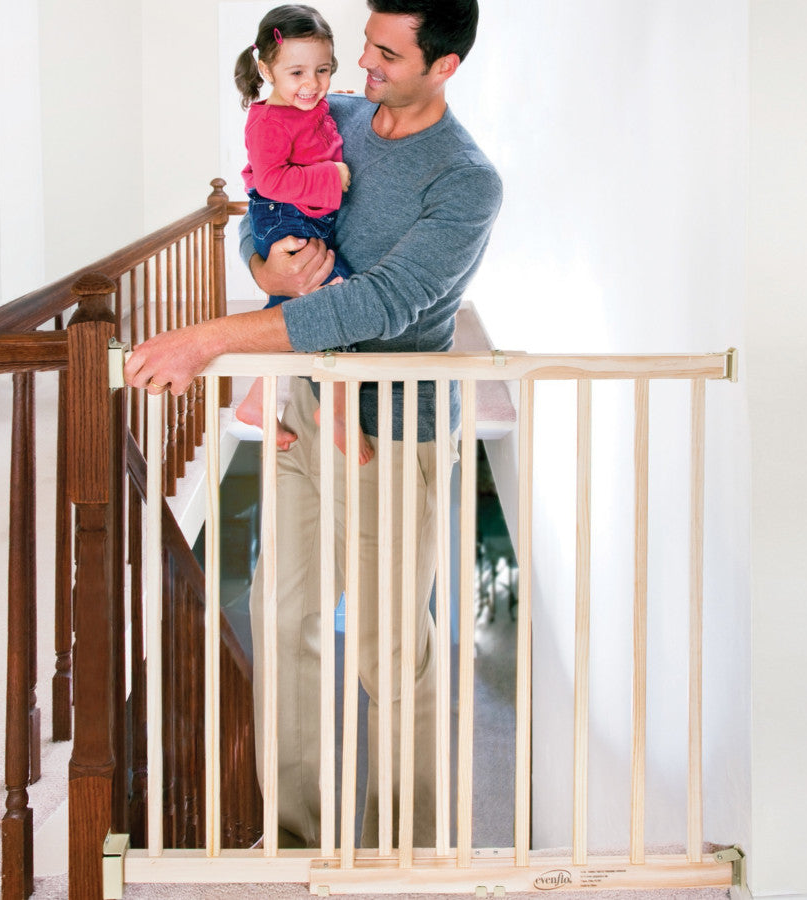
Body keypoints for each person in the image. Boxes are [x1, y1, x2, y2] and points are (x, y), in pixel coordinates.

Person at [124, 0, 502, 849]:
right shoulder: (329, 113)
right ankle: (293, 843)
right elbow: (262, 222)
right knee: (282, 618)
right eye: (363, 45)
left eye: (387, 55)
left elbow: (379, 301)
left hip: (390, 430)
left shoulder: (466, 182)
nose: (360, 69)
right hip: (303, 407)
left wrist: (208, 339)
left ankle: (403, 851)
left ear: (443, 66)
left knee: (389, 647)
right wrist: (271, 267)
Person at [232, 4, 373, 465]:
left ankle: (258, 399)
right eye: (296, 72)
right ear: (267, 68)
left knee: (294, 307)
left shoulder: (308, 105)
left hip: (307, 216)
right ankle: (333, 409)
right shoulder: (269, 121)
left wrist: (337, 108)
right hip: (283, 215)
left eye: (323, 70)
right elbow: (270, 181)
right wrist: (331, 177)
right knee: (329, 293)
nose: (311, 84)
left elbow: (318, 127)